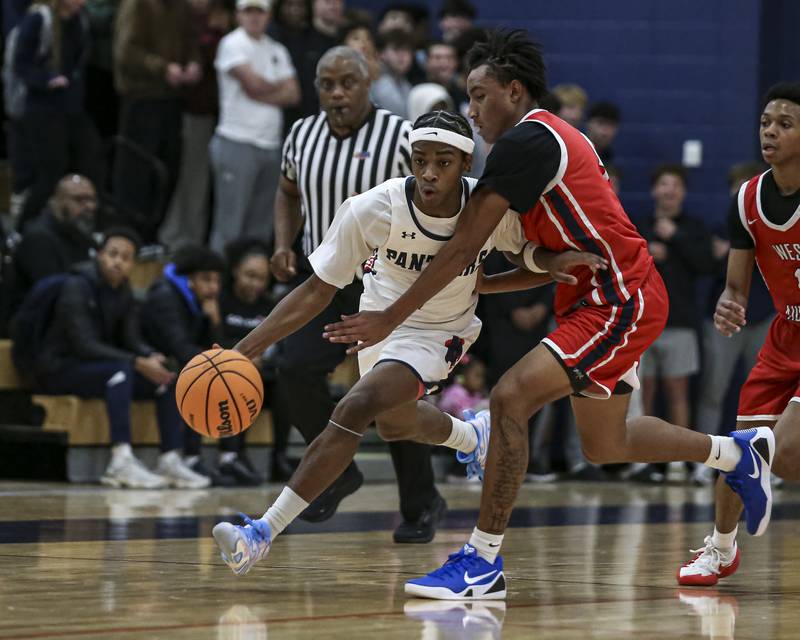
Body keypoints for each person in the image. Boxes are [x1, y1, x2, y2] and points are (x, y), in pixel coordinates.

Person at [322, 29, 776, 600]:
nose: (473, 110)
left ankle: (482, 561)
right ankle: (736, 453)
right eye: (468, 97)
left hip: (618, 297)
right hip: (599, 296)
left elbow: (463, 248)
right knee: (606, 445)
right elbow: (494, 262)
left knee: (510, 398)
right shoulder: (538, 142)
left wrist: (390, 317)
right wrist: (474, 285)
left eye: (480, 96)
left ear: (514, 91)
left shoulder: (527, 142)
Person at [210, 110, 604, 575]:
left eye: (443, 162)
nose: (430, 173)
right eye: (420, 160)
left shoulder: (489, 206)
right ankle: (471, 435)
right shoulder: (373, 207)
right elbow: (316, 289)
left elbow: (525, 254)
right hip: (381, 323)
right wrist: (245, 349)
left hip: (441, 331)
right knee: (395, 426)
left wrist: (546, 262)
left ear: (465, 162)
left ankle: (259, 534)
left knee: (355, 408)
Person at [271, 46, 441, 542]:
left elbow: (430, 195)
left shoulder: (400, 136)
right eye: (327, 84)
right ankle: (339, 472)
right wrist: (284, 242)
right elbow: (286, 191)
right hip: (324, 282)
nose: (337, 93)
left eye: (347, 82)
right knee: (291, 368)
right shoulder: (300, 134)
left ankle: (421, 503)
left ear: (369, 84)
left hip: (385, 287)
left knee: (391, 397)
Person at [677, 83, 800, 586]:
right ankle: (721, 550)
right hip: (785, 334)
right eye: (766, 122)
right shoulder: (747, 199)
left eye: (785, 124)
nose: (770, 131)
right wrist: (731, 304)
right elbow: (736, 284)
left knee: (779, 454)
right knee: (740, 444)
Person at [34, 227, 209, 489]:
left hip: (99, 368)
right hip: (59, 369)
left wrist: (150, 356)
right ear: (99, 255)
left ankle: (170, 459)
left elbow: (132, 340)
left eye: (126, 257)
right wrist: (136, 361)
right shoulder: (77, 285)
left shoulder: (124, 291)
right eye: (112, 254)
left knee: (166, 377)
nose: (118, 261)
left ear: (133, 265)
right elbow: (84, 345)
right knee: (121, 371)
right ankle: (120, 461)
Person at [633, 164, 716, 484]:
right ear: (654, 190)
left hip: (680, 322)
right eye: (663, 184)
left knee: (678, 393)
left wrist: (676, 238)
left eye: (675, 185)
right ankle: (644, 461)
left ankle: (681, 462)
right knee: (644, 393)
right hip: (641, 323)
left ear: (683, 191)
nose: (669, 190)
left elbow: (706, 264)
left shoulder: (694, 227)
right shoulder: (639, 224)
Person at [208, 0, 300, 252]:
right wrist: (274, 87)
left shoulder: (277, 49)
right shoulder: (232, 43)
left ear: (268, 15)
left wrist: (261, 91)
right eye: (248, 11)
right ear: (238, 14)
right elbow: (254, 85)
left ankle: (251, 282)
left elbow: (293, 94)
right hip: (236, 140)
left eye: (259, 11)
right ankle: (219, 282)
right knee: (230, 223)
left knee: (261, 224)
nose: (254, 17)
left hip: (270, 144)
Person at [113, 0, 201, 242]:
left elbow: (191, 41)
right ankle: (127, 238)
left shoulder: (182, 7)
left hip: (172, 100)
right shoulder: (137, 5)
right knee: (136, 173)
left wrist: (193, 63)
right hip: (141, 99)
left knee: (166, 172)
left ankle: (150, 236)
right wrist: (163, 68)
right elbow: (126, 52)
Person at [140, 244, 227, 480]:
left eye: (217, 281)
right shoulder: (165, 296)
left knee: (218, 377)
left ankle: (212, 457)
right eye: (207, 280)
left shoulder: (197, 302)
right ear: (189, 278)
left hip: (172, 365)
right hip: (147, 366)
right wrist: (218, 362)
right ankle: (184, 456)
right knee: (205, 376)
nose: (213, 288)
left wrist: (215, 323)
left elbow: (211, 348)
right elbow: (179, 347)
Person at [14, 0, 102, 230]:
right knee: (50, 174)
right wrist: (46, 80)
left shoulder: (81, 20)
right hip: (42, 109)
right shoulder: (39, 19)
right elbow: (20, 64)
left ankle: (82, 228)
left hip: (72, 108)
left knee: (91, 163)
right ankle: (23, 228)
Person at [216, 238, 292, 485]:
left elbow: (278, 345)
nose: (255, 284)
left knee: (286, 383)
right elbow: (209, 342)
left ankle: (279, 456)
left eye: (261, 278)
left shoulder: (269, 306)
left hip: (261, 375)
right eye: (249, 275)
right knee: (244, 377)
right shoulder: (219, 300)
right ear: (236, 270)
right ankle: (232, 455)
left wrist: (265, 357)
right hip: (223, 375)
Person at [10, 174, 97, 313]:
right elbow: (52, 294)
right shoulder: (38, 237)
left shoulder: (81, 234)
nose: (89, 206)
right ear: (58, 201)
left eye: (91, 199)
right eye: (79, 199)